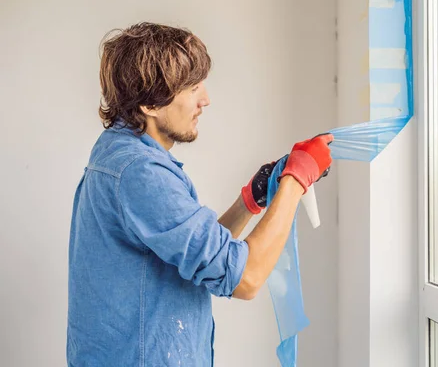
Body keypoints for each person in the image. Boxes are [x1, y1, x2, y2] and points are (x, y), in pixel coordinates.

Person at [66, 22, 333, 366]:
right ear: (149, 103)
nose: (205, 100)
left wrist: (250, 199)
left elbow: (191, 256)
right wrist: (297, 179)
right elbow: (246, 279)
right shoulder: (141, 173)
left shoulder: (120, 152)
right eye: (192, 88)